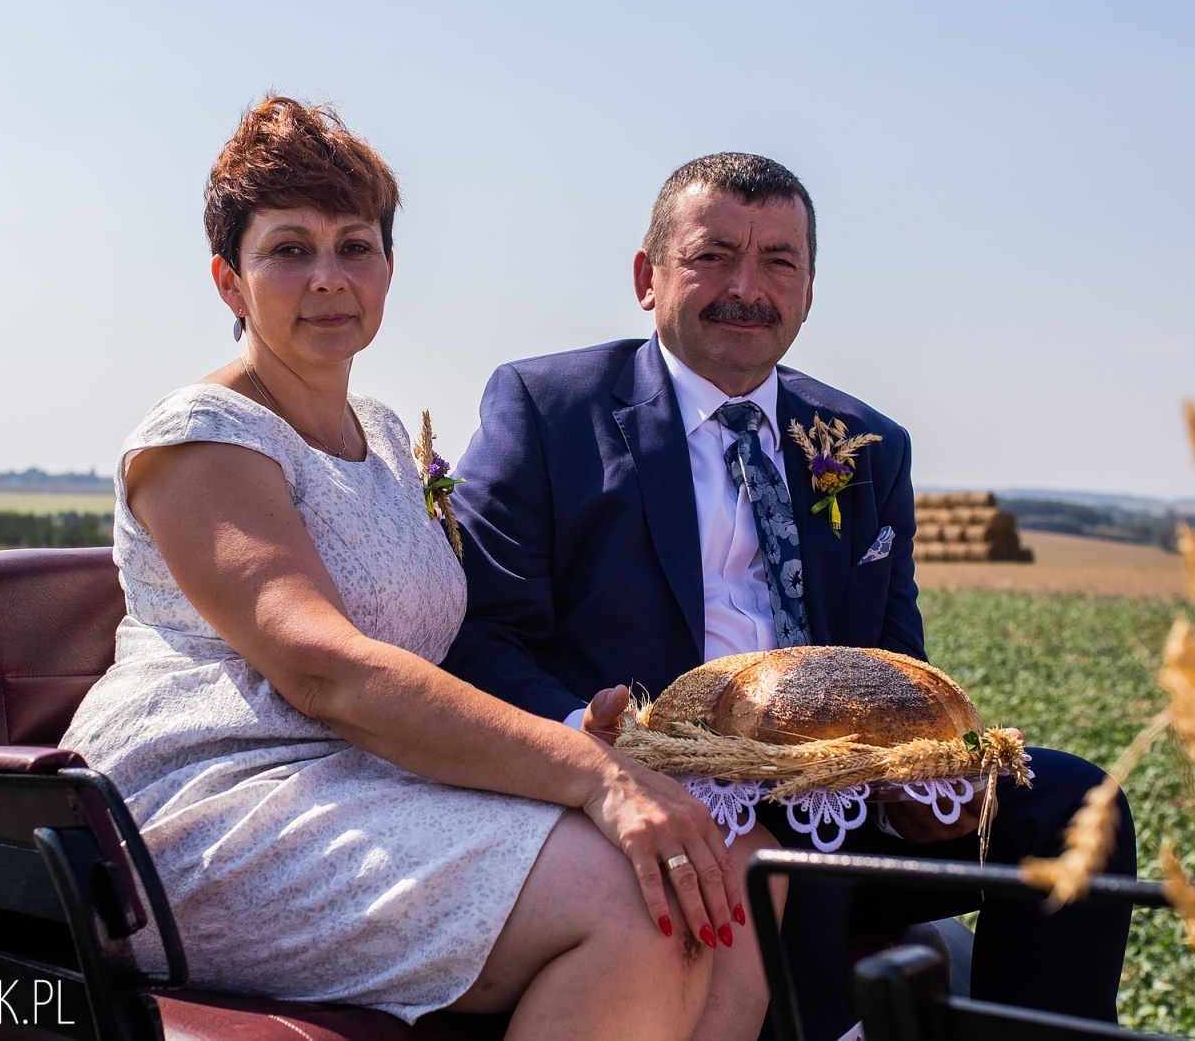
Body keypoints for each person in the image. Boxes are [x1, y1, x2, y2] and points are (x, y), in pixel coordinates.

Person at [59, 99, 781, 1041]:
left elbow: (430, 654)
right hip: (203, 809)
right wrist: (589, 777)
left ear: (389, 269)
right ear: (228, 281)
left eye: (355, 246)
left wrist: (586, 735)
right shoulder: (203, 438)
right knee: (634, 898)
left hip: (366, 784)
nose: (328, 279)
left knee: (724, 881)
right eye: (288, 250)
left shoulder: (389, 439)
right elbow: (327, 668)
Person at [443, 152, 1138, 1040]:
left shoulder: (866, 443)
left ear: (810, 290)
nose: (747, 287)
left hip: (840, 787)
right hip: (661, 779)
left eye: (779, 261)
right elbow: (485, 635)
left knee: (1074, 802)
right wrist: (593, 741)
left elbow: (895, 659)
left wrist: (925, 770)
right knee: (777, 843)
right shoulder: (548, 409)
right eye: (712, 255)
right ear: (646, 278)